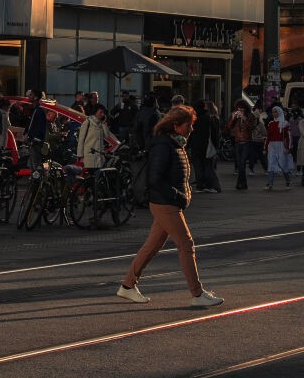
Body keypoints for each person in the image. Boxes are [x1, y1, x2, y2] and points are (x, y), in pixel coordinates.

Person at [115, 105, 223, 308]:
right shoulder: (164, 145)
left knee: (152, 246)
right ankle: (197, 293)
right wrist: (178, 195)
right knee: (186, 244)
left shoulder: (175, 144)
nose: (191, 130)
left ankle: (128, 286)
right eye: (188, 126)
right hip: (165, 203)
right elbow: (155, 178)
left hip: (168, 201)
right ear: (176, 125)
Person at [264, 105, 295, 189]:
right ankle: (270, 183)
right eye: (273, 112)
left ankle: (288, 182)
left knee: (283, 164)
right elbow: (268, 137)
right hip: (272, 146)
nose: (274, 113)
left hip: (281, 145)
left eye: (275, 111)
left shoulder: (285, 123)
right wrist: (265, 147)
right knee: (271, 163)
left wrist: (288, 148)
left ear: (279, 112)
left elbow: (288, 137)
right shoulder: (271, 123)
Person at [78, 104, 113, 169]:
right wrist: (80, 156)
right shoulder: (87, 122)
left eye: (103, 113)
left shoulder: (101, 123)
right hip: (89, 157)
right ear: (95, 112)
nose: (102, 114)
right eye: (100, 112)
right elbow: (81, 140)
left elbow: (107, 136)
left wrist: (104, 123)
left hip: (99, 157)